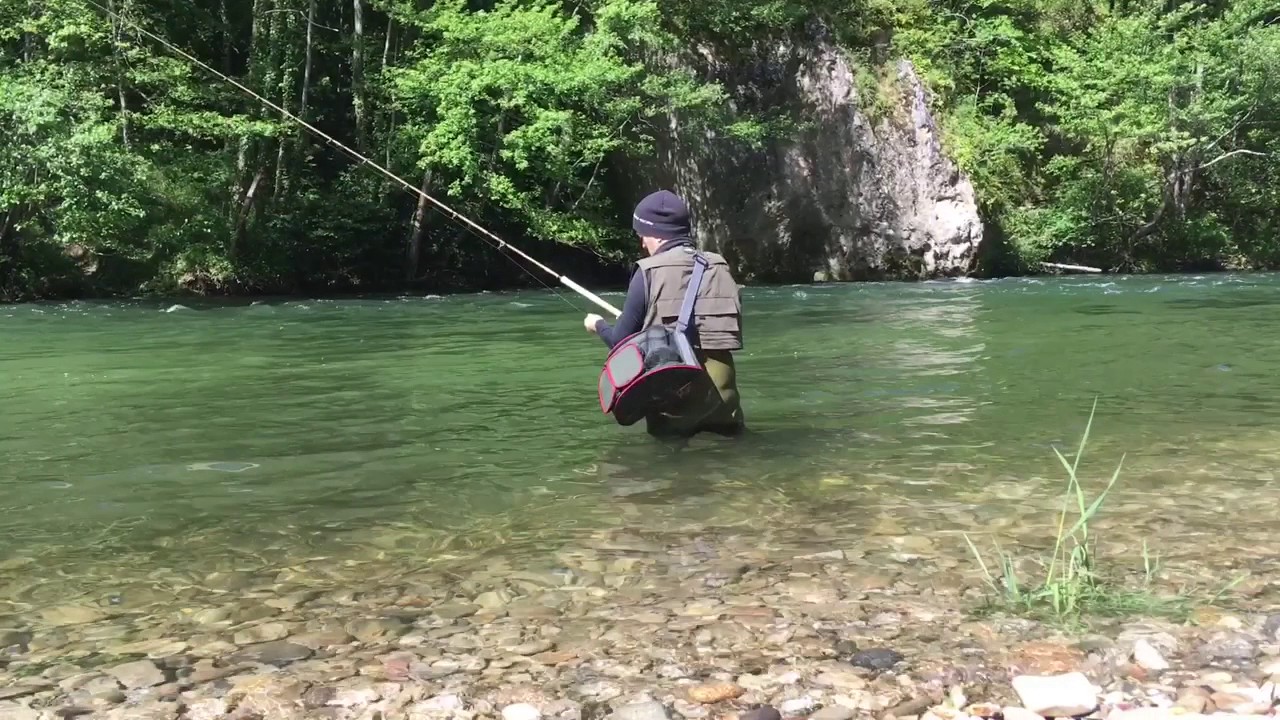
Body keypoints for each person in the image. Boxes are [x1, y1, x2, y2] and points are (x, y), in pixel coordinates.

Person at [584, 189, 746, 438]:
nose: (642, 243)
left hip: (674, 416)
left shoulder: (647, 271)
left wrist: (598, 325)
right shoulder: (719, 266)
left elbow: (619, 342)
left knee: (673, 462)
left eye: (643, 235)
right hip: (726, 411)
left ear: (658, 234)